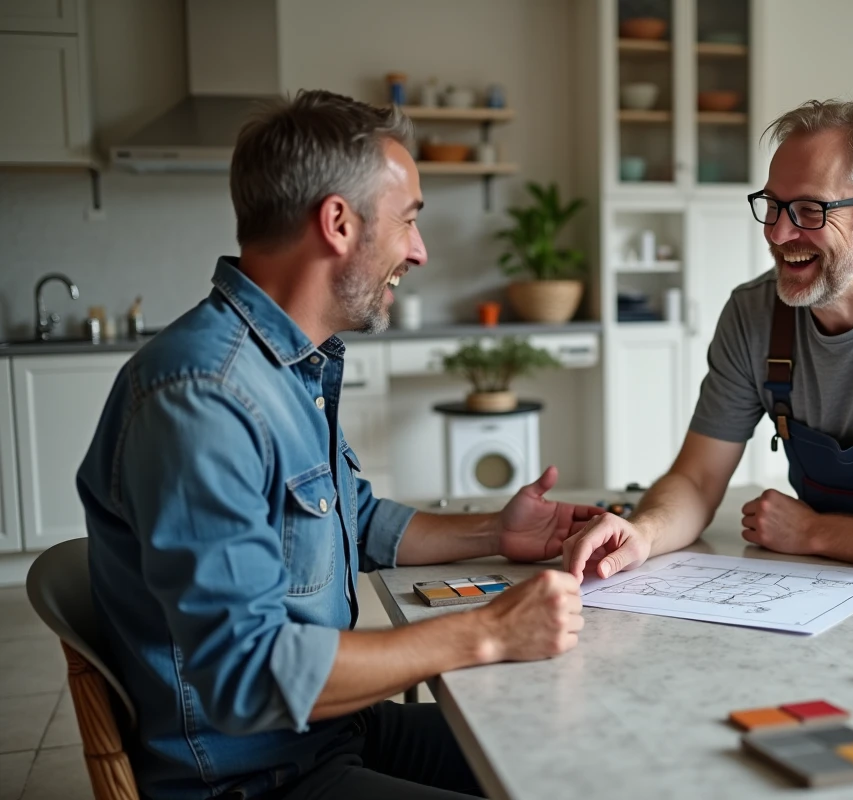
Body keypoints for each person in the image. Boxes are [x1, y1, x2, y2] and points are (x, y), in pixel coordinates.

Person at [77, 90, 601, 800]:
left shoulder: (287, 366)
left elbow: (352, 522)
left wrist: (494, 532)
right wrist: (486, 633)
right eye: (410, 219)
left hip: (327, 734)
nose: (418, 251)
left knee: (582, 750)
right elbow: (247, 677)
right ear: (338, 223)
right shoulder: (202, 396)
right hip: (255, 778)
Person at [563, 98, 853, 597]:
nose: (778, 232)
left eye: (810, 210)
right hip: (834, 575)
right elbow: (698, 479)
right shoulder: (754, 314)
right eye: (773, 205)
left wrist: (813, 533)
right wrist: (643, 533)